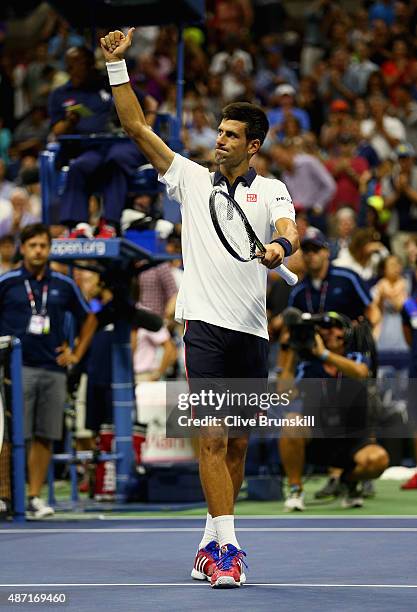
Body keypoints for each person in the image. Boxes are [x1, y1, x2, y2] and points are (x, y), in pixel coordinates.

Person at [100, 28, 298, 588]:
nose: (221, 140)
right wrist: (118, 67)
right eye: (220, 132)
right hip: (206, 327)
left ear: (253, 145)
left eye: (233, 135)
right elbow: (136, 126)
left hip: (251, 332)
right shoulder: (188, 178)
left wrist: (280, 247)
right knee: (211, 438)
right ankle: (230, 553)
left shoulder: (273, 189)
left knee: (236, 447)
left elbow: (289, 230)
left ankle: (208, 545)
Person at [0, 223, 97, 518]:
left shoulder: (63, 285)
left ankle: (33, 497)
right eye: (33, 245)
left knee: (44, 435)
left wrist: (75, 353)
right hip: (14, 371)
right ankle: (4, 496)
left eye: (43, 245)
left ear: (49, 248)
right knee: (10, 435)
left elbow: (89, 317)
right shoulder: (8, 282)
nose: (38, 250)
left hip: (53, 370)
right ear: (23, 249)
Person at [278, 311, 389, 510]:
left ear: (345, 332)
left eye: (333, 327)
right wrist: (290, 350)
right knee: (292, 422)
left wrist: (325, 355)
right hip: (318, 436)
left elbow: (361, 373)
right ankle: (295, 489)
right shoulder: (308, 364)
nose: (328, 333)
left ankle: (348, 481)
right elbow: (284, 392)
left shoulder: (356, 357)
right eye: (323, 329)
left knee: (377, 460)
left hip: (352, 438)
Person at [48, 46, 157, 237]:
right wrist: (69, 122)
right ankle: (78, 226)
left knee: (115, 161)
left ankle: (110, 224)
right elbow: (56, 131)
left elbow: (150, 103)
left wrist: (144, 133)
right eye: (69, 65)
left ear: (90, 65)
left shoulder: (108, 83)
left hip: (120, 144)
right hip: (91, 148)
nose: (72, 69)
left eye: (77, 64)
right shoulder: (60, 94)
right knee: (79, 166)